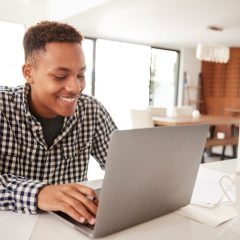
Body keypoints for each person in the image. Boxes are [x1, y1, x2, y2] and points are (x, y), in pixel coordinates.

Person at [0, 21, 117, 225]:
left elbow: (121, 167)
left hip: (71, 228)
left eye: (80, 75)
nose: (75, 87)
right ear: (29, 73)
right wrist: (39, 193)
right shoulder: (2, 107)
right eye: (60, 76)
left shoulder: (91, 110)